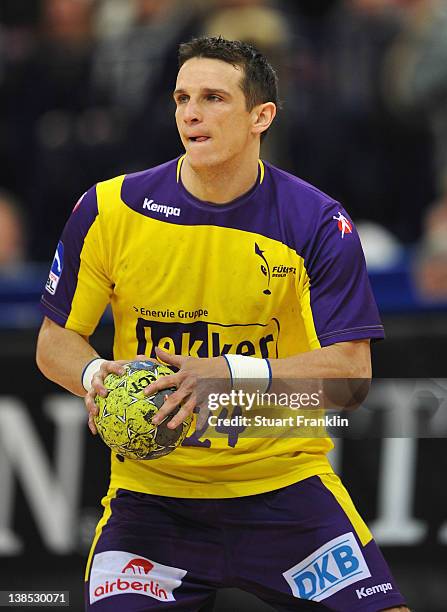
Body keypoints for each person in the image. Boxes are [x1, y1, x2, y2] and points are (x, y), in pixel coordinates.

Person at [36, 36, 409, 611]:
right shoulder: (109, 210)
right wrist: (94, 377)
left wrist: (232, 375)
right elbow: (55, 340)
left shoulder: (316, 221)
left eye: (213, 98)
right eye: (182, 97)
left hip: (285, 493)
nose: (190, 113)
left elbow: (351, 378)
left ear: (261, 117)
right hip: (151, 501)